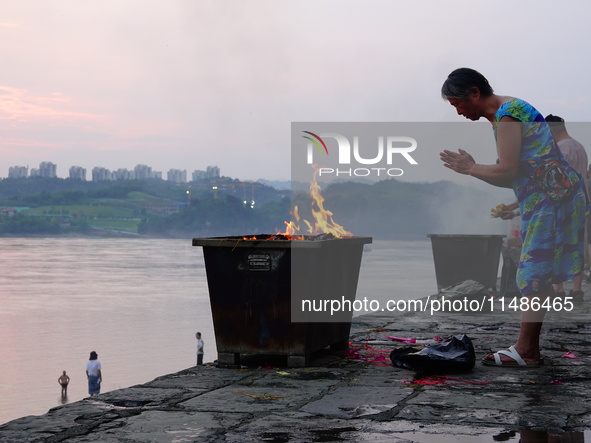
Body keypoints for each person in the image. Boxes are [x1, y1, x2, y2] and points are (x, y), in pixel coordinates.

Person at [440, 67, 586, 368]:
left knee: (533, 273)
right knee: (536, 273)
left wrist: (470, 168)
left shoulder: (508, 114)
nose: (459, 112)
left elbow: (507, 171)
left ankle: (527, 350)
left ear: (475, 93)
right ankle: (527, 347)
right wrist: (511, 201)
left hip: (553, 199)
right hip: (551, 197)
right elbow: (518, 174)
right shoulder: (506, 114)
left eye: (458, 104)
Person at [545, 114, 588, 302]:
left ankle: (559, 289)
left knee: (558, 245)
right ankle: (577, 289)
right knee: (577, 244)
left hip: (563, 203)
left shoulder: (560, 149)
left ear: (552, 130)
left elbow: (557, 180)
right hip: (581, 203)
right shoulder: (579, 147)